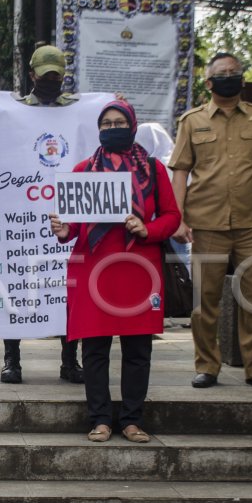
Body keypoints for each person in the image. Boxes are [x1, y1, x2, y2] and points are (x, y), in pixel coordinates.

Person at [49, 100, 180, 442]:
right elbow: (74, 226)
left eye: (119, 121)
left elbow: (172, 217)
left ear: (133, 125)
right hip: (93, 268)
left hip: (139, 268)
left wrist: (146, 228)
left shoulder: (154, 170)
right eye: (105, 123)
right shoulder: (82, 171)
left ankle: (132, 420)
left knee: (138, 348)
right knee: (94, 348)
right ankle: (100, 420)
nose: (111, 128)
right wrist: (64, 231)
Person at [168, 52, 252, 389]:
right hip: (206, 223)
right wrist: (177, 219)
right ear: (209, 82)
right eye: (221, 73)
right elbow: (180, 172)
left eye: (234, 72)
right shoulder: (191, 121)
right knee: (204, 301)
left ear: (243, 79)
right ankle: (207, 365)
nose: (228, 77)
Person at [0, 45, 85, 385]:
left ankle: (70, 360)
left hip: (64, 221)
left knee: (67, 287)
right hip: (19, 220)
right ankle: (12, 359)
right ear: (31, 75)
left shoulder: (79, 111)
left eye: (56, 75)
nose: (51, 80)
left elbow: (104, 124)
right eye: (45, 74)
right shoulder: (13, 112)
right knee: (13, 285)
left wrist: (113, 101)